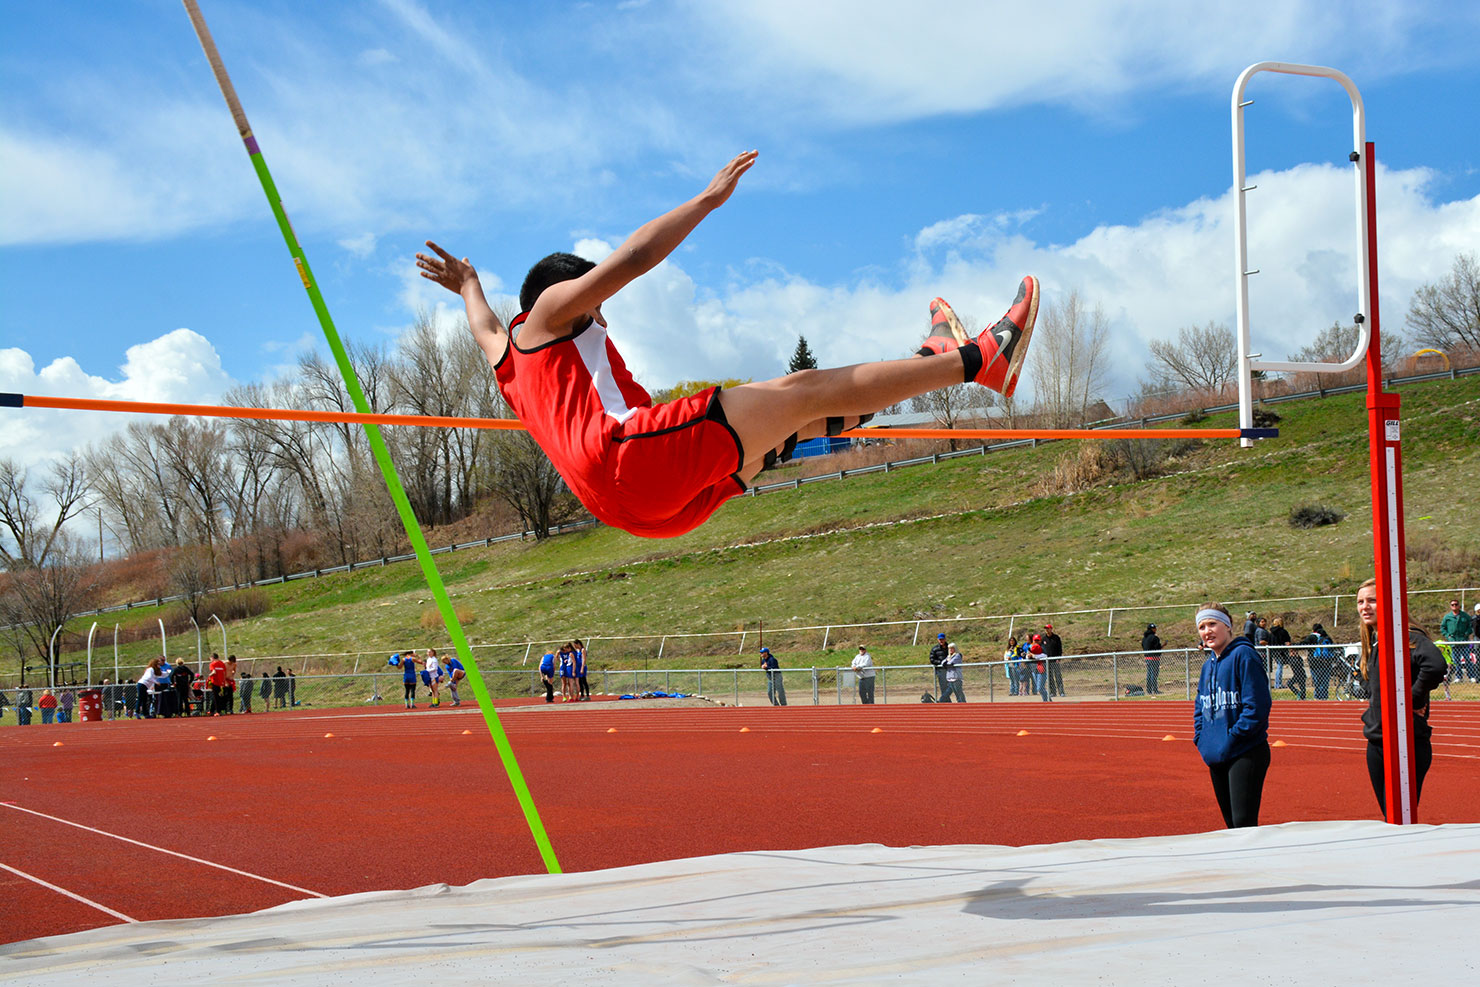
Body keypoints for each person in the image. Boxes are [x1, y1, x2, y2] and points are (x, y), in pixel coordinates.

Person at [416, 151, 1039, 540]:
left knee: (799, 422)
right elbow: (631, 259)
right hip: (628, 461)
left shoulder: (506, 359)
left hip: (640, 513)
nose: (601, 315)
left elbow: (482, 322)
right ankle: (979, 361)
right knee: (804, 390)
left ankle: (930, 358)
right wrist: (708, 200)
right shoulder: (549, 312)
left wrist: (467, 282)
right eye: (594, 304)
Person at [1355, 579, 1448, 816]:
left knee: (1399, 818)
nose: (1365, 607)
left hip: (1405, 742)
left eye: (1372, 600)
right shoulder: (1375, 641)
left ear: (1389, 603)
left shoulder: (1408, 637)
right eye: (1360, 602)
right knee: (1390, 817)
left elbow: (1436, 666)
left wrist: (1412, 699)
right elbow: (1371, 685)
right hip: (1377, 741)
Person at [1193, 603, 1272, 828]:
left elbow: (1257, 707)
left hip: (1245, 751)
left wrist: (1232, 738)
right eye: (1202, 627)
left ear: (1227, 626)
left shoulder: (1244, 655)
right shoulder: (1207, 666)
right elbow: (1200, 707)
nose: (1207, 631)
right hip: (1217, 753)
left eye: (1212, 624)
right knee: (1231, 826)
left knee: (1243, 824)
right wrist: (1202, 739)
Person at [1438, 598, 1474, 683]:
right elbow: (1442, 628)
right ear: (1451, 606)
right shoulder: (1447, 617)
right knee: (1456, 660)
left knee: (1467, 659)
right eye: (1452, 605)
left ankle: (1471, 676)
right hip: (1453, 642)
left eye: (1456, 604)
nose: (1454, 606)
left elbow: (1471, 626)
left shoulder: (1465, 616)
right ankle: (1458, 677)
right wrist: (1448, 635)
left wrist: (1466, 633)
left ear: (1459, 606)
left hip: (1463, 641)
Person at [1301, 623, 1335, 700]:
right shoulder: (1327, 639)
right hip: (1327, 662)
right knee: (1324, 682)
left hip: (1314, 662)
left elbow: (1303, 644)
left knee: (1317, 682)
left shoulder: (1312, 637)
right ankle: (1324, 697)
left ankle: (1317, 697)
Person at [1269, 616, 1299, 698]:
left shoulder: (1271, 632)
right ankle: (1278, 683)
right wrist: (1291, 650)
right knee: (1280, 667)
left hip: (1274, 651)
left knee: (1279, 666)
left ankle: (1277, 683)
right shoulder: (1283, 632)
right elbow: (1288, 642)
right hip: (1281, 651)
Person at [1042, 623, 1065, 697]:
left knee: (1058, 676)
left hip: (1055, 660)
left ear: (1051, 629)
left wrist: (1058, 658)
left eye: (1048, 628)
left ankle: (1061, 692)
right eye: (1046, 629)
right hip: (1047, 661)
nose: (1047, 630)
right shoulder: (1044, 639)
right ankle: (1052, 692)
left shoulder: (1056, 638)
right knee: (1050, 677)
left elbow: (1059, 648)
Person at [1142, 623, 1163, 695]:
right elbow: (1158, 647)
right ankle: (1155, 690)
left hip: (1147, 658)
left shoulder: (1144, 638)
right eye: (1154, 628)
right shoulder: (1154, 638)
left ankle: (1149, 690)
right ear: (1152, 629)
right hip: (1154, 658)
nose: (1156, 629)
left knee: (1149, 673)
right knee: (1154, 674)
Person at [1029, 636, 1051, 702]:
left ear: (1040, 640)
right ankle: (1047, 700)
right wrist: (1029, 656)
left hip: (1041, 669)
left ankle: (1047, 701)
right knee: (1040, 688)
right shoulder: (1031, 647)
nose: (1036, 642)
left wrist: (1035, 656)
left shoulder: (1043, 647)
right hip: (1034, 669)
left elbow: (1045, 655)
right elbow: (1027, 655)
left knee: (1040, 688)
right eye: (1035, 640)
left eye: (1037, 640)